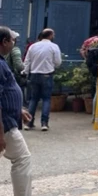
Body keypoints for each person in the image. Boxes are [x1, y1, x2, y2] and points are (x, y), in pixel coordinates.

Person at [0, 26, 33, 196]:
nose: (14, 43)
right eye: (12, 40)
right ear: (4, 42)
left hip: (7, 117)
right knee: (22, 159)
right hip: (4, 124)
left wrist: (17, 109)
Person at [23, 28, 61, 132]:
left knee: (33, 99)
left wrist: (25, 72)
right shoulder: (54, 47)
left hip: (34, 74)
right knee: (46, 99)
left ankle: (28, 123)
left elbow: (27, 61)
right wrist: (51, 64)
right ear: (50, 35)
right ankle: (44, 123)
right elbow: (58, 62)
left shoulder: (33, 46)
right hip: (47, 74)